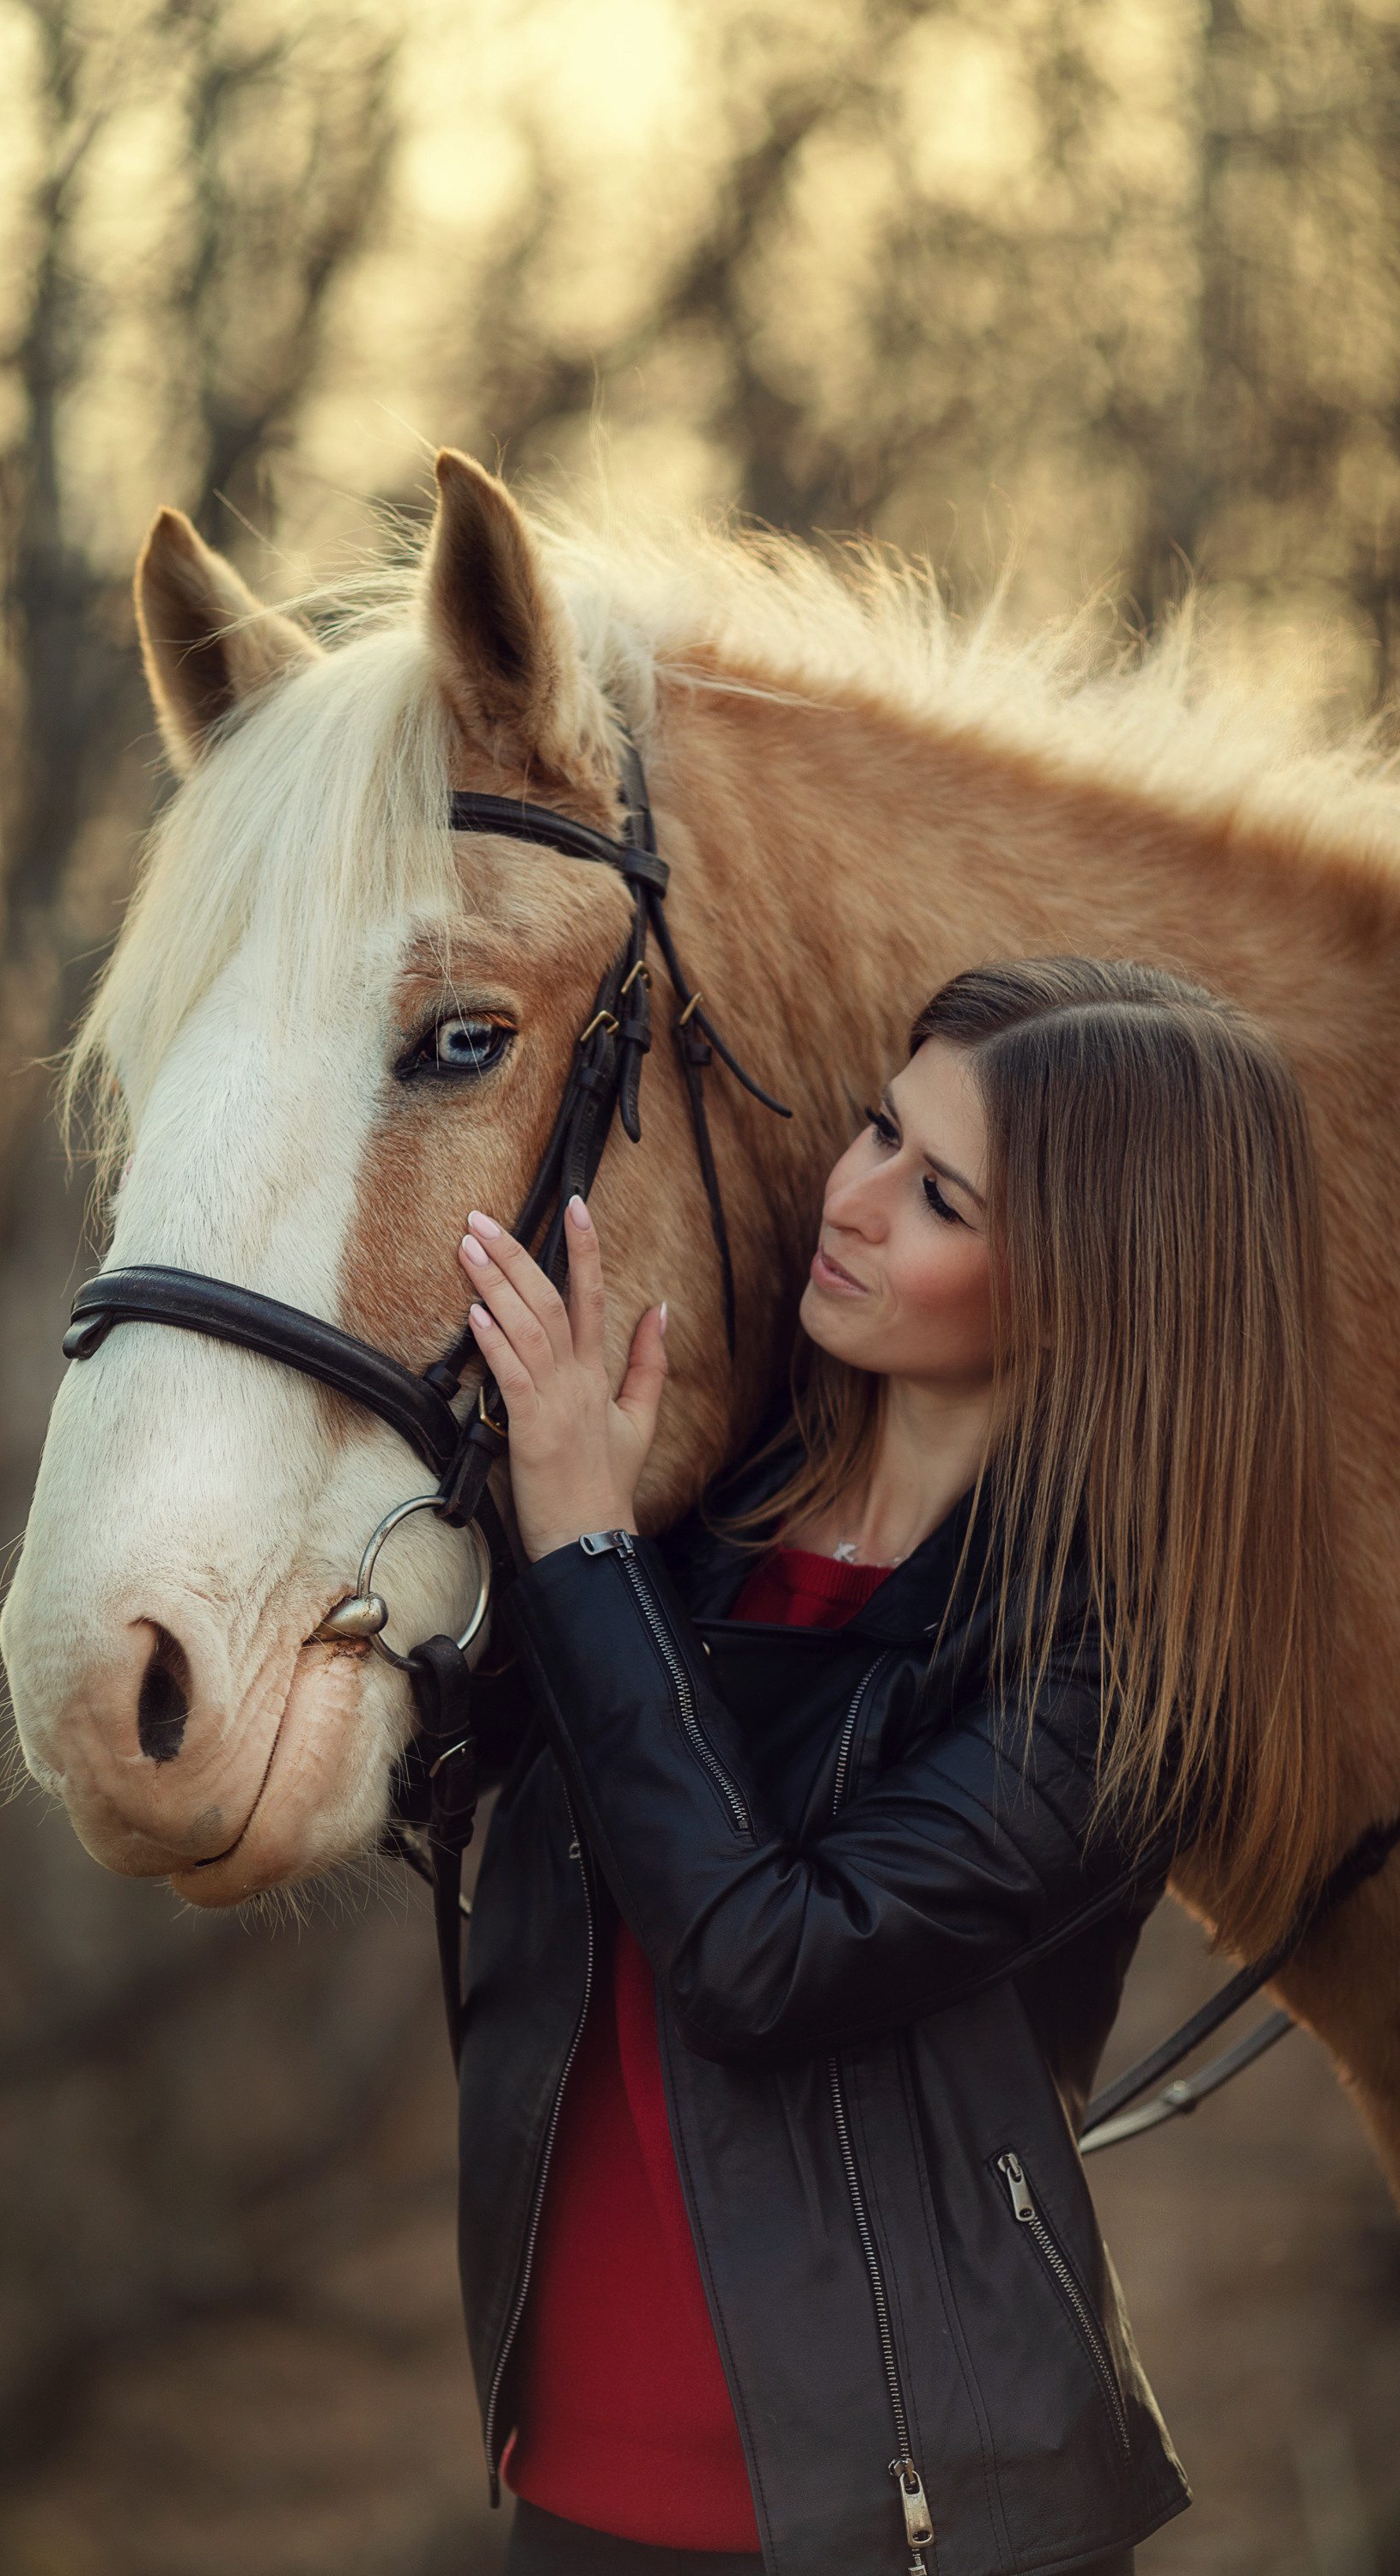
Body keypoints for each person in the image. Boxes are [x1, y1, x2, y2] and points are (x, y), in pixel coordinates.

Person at [449, 957, 1334, 2576]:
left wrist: (582, 1549)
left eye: (937, 1197)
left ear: (1091, 1285)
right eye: (876, 1131)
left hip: (908, 2523)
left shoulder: (1120, 1672)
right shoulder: (705, 1518)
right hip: (576, 2485)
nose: (850, 1202)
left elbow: (763, 1963)